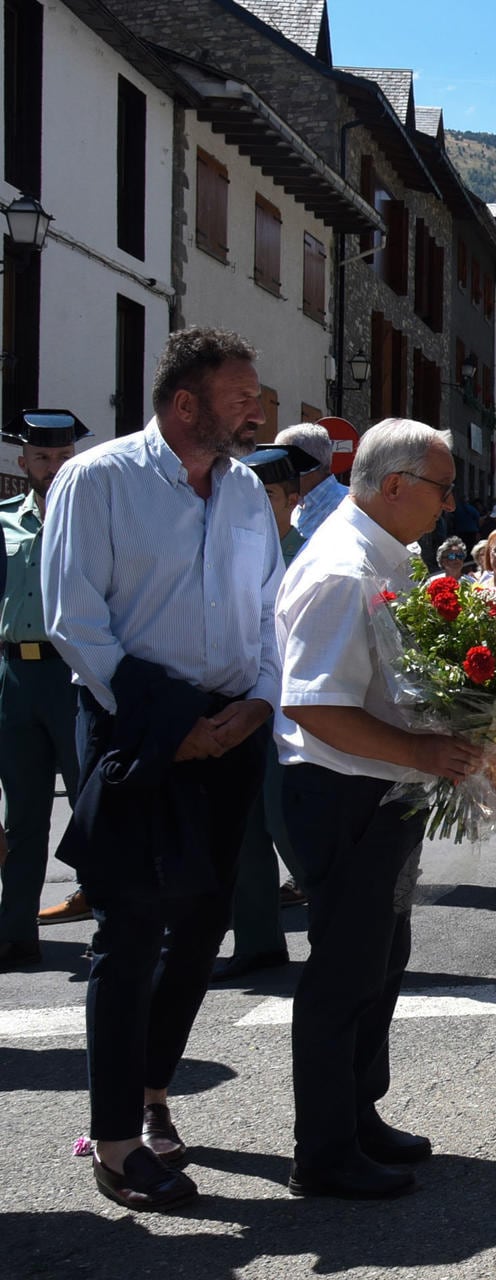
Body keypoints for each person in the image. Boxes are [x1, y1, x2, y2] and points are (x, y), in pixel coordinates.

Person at [42, 327, 283, 1211]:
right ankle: (113, 1143)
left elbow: (267, 611)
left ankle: (151, 1095)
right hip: (138, 728)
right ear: (187, 404)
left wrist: (257, 702)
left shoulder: (249, 490)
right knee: (130, 932)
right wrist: (173, 729)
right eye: (242, 395)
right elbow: (77, 621)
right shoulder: (98, 480)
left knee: (202, 921)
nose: (257, 408)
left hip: (233, 727)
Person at [275, 419, 485, 1199]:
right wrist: (425, 753)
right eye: (440, 486)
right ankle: (323, 1152)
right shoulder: (342, 568)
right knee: (344, 970)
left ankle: (355, 1116)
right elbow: (313, 705)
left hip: (378, 786)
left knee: (381, 957)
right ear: (393, 486)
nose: (450, 502)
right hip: (343, 789)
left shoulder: (379, 555)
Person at [214, 446, 325, 983]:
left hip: (295, 715)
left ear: (293, 500)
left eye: (269, 495)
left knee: (290, 827)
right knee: (244, 829)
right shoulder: (232, 552)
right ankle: (257, 942)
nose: (256, 504)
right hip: (240, 704)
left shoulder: (310, 554)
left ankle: (342, 928)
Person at [0, 410, 86, 971]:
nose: (52, 469)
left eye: (60, 459)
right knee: (24, 813)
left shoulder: (88, 518)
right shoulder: (4, 520)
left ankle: (117, 926)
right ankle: (15, 935)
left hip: (73, 674)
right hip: (15, 675)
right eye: (41, 458)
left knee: (93, 806)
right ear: (23, 462)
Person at [280, 423, 347, 544]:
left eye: (283, 462)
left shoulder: (347, 505)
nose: (278, 471)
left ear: (304, 463)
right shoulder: (296, 507)